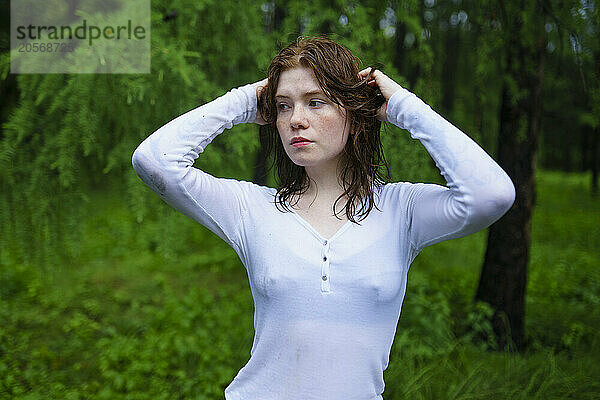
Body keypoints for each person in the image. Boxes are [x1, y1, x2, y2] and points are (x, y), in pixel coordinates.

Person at [132, 36, 515, 400]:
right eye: (283, 105)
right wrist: (247, 101)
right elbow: (155, 161)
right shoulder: (252, 208)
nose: (296, 119)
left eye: (316, 102)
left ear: (353, 111)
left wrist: (403, 107)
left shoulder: (402, 210)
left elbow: (491, 194)